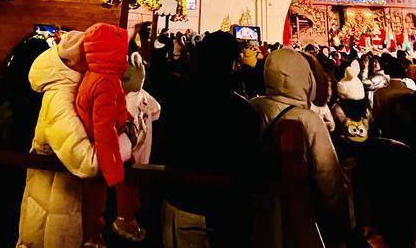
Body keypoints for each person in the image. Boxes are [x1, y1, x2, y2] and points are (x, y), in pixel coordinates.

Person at [16, 31, 132, 248]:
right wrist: (125, 142)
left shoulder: (77, 88)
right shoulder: (60, 99)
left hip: (68, 207)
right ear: (79, 60)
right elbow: (87, 163)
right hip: (55, 214)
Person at [157, 31, 262, 247]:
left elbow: (163, 145)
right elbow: (248, 165)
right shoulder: (243, 110)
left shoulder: (175, 97)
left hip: (179, 202)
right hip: (224, 208)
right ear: (234, 63)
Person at [250, 48, 349, 247]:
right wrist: (340, 220)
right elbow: (328, 177)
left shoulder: (253, 106)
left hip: (253, 209)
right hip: (297, 216)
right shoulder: (308, 119)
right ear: (305, 78)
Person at [75, 23, 143, 246]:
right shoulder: (105, 82)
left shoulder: (99, 75)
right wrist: (113, 169)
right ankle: (98, 233)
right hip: (103, 145)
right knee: (97, 196)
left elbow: (116, 108)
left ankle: (98, 232)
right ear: (113, 51)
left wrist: (126, 120)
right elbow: (104, 128)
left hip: (107, 139)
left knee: (97, 196)